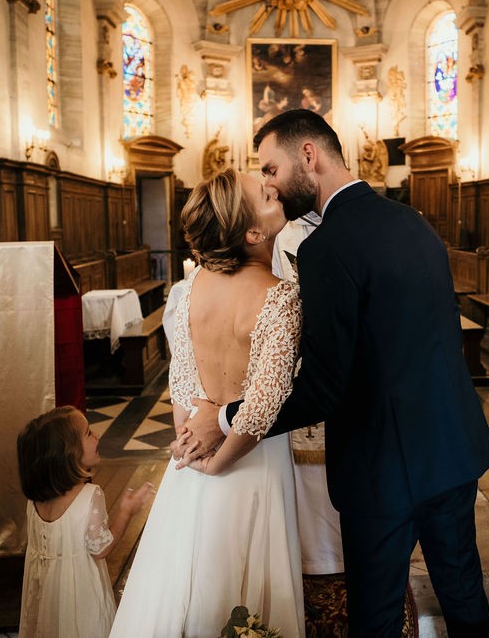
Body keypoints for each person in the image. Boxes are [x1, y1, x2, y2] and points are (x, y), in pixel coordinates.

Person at [178, 109, 489, 637]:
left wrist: (229, 415)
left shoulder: (326, 248)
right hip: (451, 449)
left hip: (381, 469)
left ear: (309, 155)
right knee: (464, 596)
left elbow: (323, 389)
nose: (272, 185)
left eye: (272, 169)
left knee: (373, 615)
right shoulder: (414, 223)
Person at [110, 168, 304, 637]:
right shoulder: (281, 297)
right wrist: (220, 464)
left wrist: (193, 447)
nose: (273, 187)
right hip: (252, 462)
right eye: (264, 191)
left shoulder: (190, 287)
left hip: (193, 464)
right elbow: (262, 407)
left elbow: (182, 384)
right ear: (254, 232)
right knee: (247, 587)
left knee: (189, 581)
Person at [16, 405, 153, 638]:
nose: (97, 436)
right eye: (88, 433)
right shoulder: (90, 495)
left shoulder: (34, 500)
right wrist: (126, 512)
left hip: (46, 596)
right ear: (68, 452)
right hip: (79, 596)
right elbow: (101, 548)